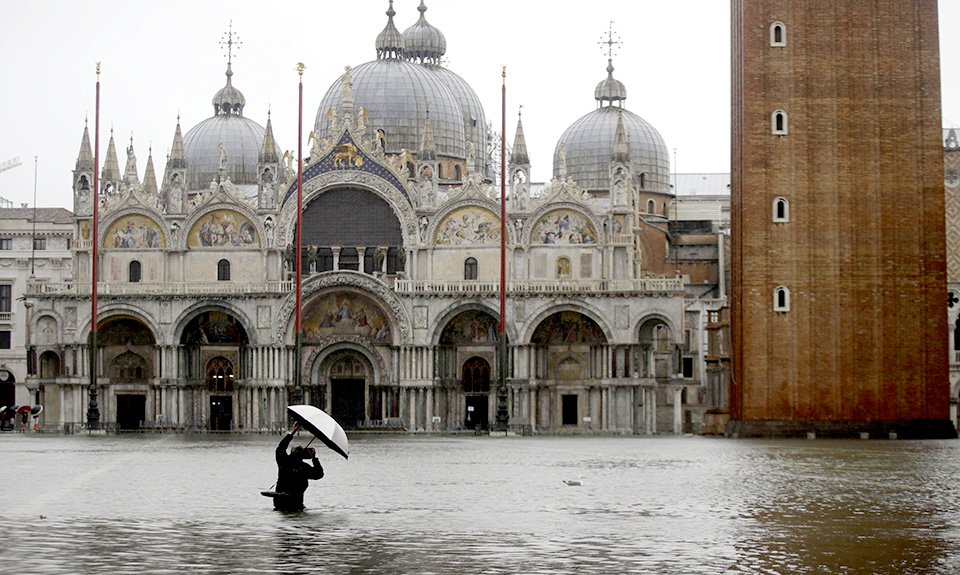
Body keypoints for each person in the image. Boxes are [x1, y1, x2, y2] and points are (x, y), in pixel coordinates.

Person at [273, 421, 324, 511]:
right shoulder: (304, 467)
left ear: (291, 452)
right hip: (295, 503)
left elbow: (281, 447)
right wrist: (314, 458)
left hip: (279, 502)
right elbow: (319, 474)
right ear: (303, 455)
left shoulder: (283, 461)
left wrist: (292, 432)